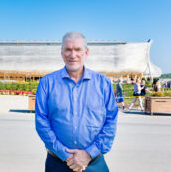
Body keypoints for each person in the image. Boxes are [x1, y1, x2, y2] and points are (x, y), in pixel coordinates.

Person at [35, 32, 118, 172]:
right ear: (61, 52)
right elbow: (41, 122)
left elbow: (111, 122)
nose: (73, 55)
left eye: (78, 49)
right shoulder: (47, 83)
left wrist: (88, 154)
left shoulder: (103, 83)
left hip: (94, 164)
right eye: (68, 49)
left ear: (86, 52)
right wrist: (65, 155)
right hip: (57, 164)